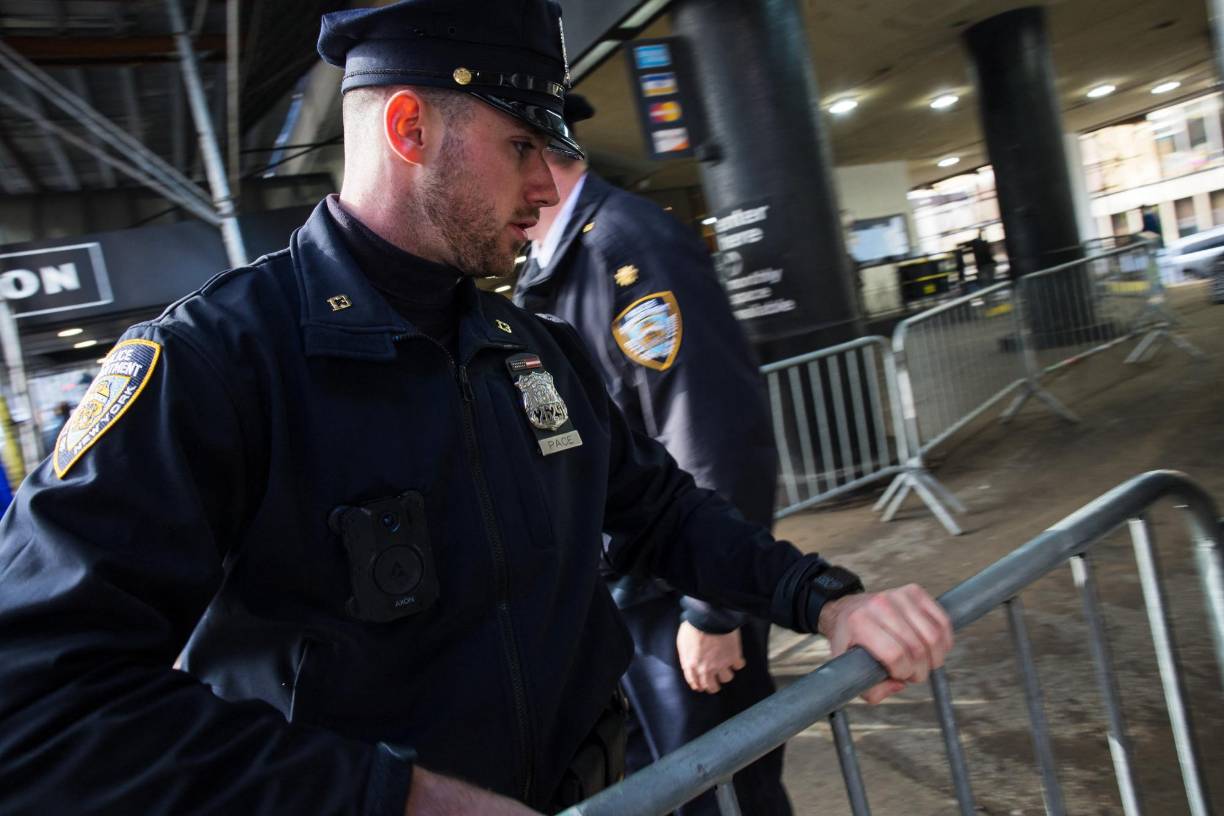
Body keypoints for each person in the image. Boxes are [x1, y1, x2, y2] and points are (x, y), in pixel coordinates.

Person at [0, 2, 953, 814]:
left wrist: (827, 599)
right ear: (410, 128)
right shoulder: (216, 363)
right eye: (523, 145)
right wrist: (394, 799)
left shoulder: (533, 347)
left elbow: (661, 511)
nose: (545, 186)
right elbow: (36, 698)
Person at [514, 94, 789, 815]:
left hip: (675, 601)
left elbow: (714, 433)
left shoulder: (627, 250)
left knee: (721, 794)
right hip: (622, 603)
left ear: (533, 156)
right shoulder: (552, 262)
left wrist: (714, 611)